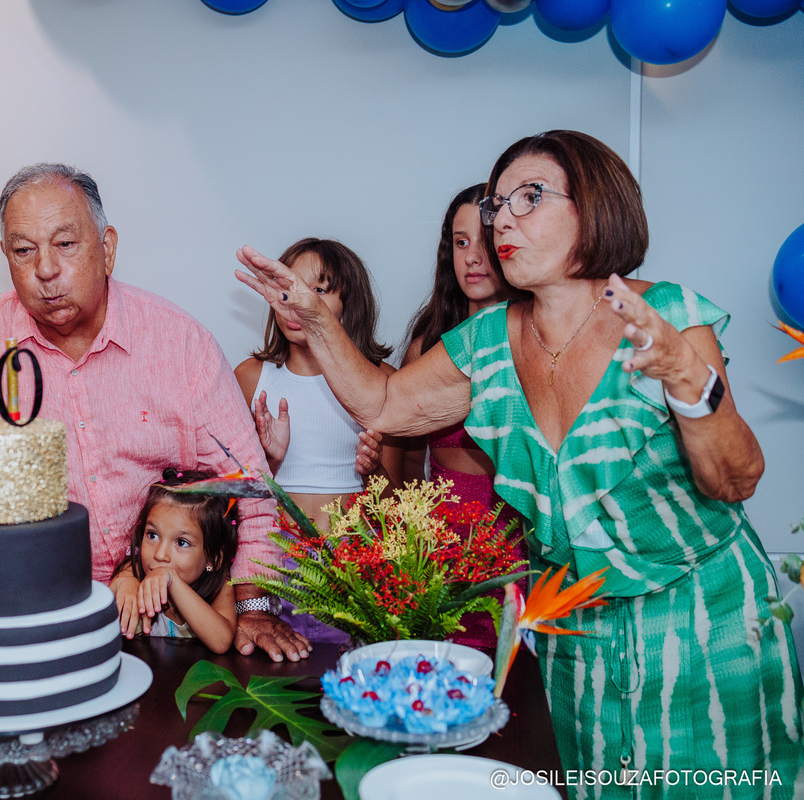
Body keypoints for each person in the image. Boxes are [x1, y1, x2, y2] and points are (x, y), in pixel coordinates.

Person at [236, 130, 803, 794]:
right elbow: (384, 404)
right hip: (575, 630)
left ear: (593, 208)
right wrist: (317, 318)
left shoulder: (668, 315)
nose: (501, 218)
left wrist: (688, 378)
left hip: (706, 627)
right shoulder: (485, 340)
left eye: (529, 198)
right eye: (497, 205)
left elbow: (735, 479)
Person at [0, 162, 310, 662]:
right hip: (40, 617)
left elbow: (249, 491)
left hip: (174, 625)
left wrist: (257, 607)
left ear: (107, 248)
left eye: (65, 244)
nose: (45, 269)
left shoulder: (180, 343)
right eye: (24, 250)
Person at [233, 238, 398, 644]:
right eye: (287, 286)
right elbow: (230, 497)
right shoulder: (252, 377)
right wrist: (268, 464)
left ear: (349, 303)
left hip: (352, 566)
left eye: (319, 289)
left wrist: (372, 468)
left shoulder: (381, 381)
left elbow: (396, 504)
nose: (297, 300)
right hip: (273, 568)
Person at [399, 185, 522, 652]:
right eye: (460, 241)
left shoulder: (538, 346)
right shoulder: (427, 349)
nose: (472, 257)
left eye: (485, 240)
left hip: (520, 551)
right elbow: (409, 471)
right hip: (440, 559)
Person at [109, 468, 239, 654]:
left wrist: (172, 580)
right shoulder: (132, 575)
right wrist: (125, 583)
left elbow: (221, 641)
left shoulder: (219, 586)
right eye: (152, 535)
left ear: (214, 559)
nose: (160, 555)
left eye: (181, 542)